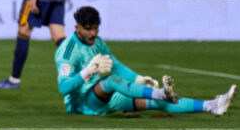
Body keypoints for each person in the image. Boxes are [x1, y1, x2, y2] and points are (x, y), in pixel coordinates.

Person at [56, 6, 236, 116]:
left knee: (160, 104)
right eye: (88, 29)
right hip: (83, 103)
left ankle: (211, 106)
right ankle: (159, 92)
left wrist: (138, 79)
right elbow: (64, 88)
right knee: (110, 81)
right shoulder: (67, 51)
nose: (93, 33)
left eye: (95, 28)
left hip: (107, 98)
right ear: (77, 28)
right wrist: (87, 72)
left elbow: (116, 66)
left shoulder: (98, 42)